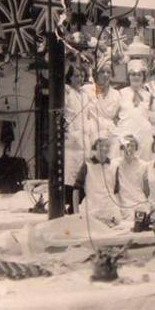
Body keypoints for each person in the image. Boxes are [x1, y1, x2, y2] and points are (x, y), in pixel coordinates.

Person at [72, 136, 121, 226]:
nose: (104, 148)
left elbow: (116, 192)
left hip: (110, 212)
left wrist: (118, 210)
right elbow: (76, 189)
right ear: (95, 147)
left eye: (107, 146)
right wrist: (76, 213)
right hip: (91, 210)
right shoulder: (87, 164)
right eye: (101, 145)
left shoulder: (114, 166)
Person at [64, 64, 91, 213]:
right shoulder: (66, 91)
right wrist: (69, 130)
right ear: (69, 77)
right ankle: (67, 204)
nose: (79, 78)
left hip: (84, 136)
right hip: (71, 138)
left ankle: (77, 204)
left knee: (83, 172)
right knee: (70, 172)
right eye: (75, 76)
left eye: (81, 75)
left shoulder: (84, 93)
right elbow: (63, 112)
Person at [115, 59, 155, 161]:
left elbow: (152, 118)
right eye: (133, 74)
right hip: (126, 133)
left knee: (143, 163)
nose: (136, 77)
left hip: (144, 135)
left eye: (139, 75)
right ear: (129, 77)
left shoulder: (149, 95)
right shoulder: (120, 93)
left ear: (143, 77)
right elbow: (114, 117)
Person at [83, 58, 121, 159]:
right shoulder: (87, 90)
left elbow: (118, 117)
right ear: (96, 73)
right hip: (93, 133)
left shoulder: (116, 94)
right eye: (102, 72)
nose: (106, 75)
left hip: (110, 135)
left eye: (108, 72)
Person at [114, 134, 148, 219]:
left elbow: (146, 189)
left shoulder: (143, 165)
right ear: (122, 148)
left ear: (136, 148)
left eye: (132, 146)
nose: (129, 148)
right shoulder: (115, 164)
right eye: (127, 145)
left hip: (140, 202)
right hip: (123, 203)